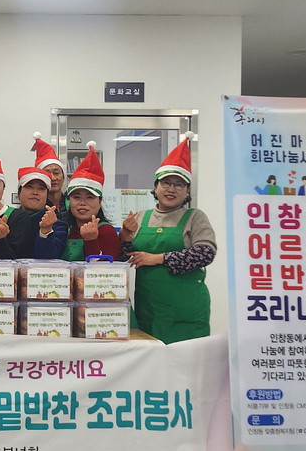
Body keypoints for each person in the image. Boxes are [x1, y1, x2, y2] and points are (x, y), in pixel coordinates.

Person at [119, 132, 217, 344]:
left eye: (179, 184)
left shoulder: (195, 217)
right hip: (150, 307)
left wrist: (158, 258)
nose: (171, 189)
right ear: (155, 187)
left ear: (187, 190)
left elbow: (205, 253)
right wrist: (125, 236)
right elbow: (127, 258)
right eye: (166, 183)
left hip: (186, 309)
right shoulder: (140, 217)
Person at [60, 142, 119, 261]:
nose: (82, 202)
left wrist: (90, 240)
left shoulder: (106, 231)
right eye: (76, 197)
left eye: (90, 197)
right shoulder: (68, 230)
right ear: (69, 201)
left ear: (100, 201)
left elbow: (105, 270)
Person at [15, 167, 67, 259]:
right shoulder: (8, 220)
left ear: (47, 196)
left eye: (41, 188)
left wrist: (46, 231)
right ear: (19, 194)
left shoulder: (57, 225)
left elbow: (50, 260)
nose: (35, 192)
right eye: (29, 187)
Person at [31, 132, 68, 220]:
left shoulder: (72, 204)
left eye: (56, 173)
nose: (53, 178)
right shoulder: (34, 205)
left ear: (63, 177)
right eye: (47, 173)